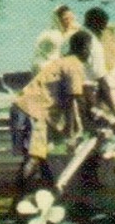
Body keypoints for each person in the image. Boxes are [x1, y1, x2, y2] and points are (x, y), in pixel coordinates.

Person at [10, 29, 99, 192]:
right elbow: (76, 101)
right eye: (89, 48)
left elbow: (67, 101)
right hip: (33, 112)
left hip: (21, 107)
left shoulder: (61, 61)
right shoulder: (74, 65)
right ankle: (15, 204)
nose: (90, 53)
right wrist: (80, 130)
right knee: (34, 158)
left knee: (41, 157)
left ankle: (49, 192)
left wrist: (68, 128)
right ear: (84, 48)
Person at [32, 4, 79, 73]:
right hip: (45, 69)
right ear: (58, 20)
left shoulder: (65, 31)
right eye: (66, 19)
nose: (69, 22)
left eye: (71, 18)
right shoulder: (53, 35)